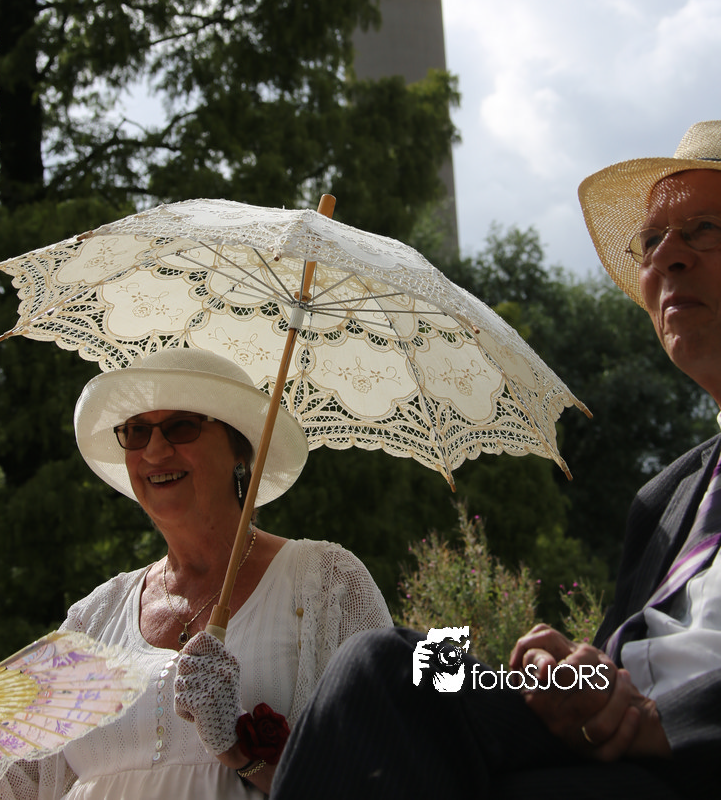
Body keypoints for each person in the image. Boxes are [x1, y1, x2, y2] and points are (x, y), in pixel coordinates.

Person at [270, 120, 721, 800]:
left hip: (679, 753)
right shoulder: (666, 496)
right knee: (395, 661)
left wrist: (665, 726)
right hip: (607, 735)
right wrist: (568, 674)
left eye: (703, 228)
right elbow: (614, 670)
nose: (667, 257)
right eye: (651, 240)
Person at [0, 348, 392, 798]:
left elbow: (382, 774)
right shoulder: (93, 619)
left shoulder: (326, 581)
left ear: (242, 451)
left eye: (182, 426)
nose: (155, 450)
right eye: (137, 431)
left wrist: (240, 751)